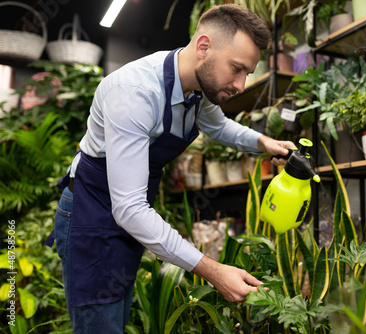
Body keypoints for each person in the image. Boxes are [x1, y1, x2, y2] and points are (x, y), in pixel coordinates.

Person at [45, 3, 295, 333]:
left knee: (114, 316)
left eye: (247, 73)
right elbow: (130, 208)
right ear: (204, 47)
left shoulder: (198, 85)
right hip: (92, 216)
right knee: (100, 323)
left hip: (125, 212)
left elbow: (218, 125)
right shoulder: (134, 94)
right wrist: (213, 270)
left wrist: (264, 143)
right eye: (236, 68)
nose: (241, 84)